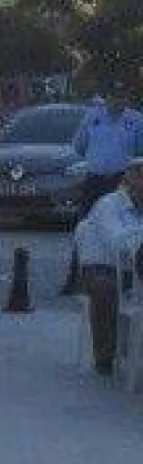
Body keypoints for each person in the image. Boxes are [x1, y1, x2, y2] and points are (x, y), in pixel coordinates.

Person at [60, 89, 143, 295]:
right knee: (85, 228)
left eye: (122, 95)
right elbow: (79, 146)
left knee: (125, 227)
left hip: (123, 180)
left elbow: (140, 152)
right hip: (95, 180)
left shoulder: (135, 120)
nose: (118, 99)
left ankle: (124, 277)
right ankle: (76, 279)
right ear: (107, 97)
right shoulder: (92, 117)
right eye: (114, 94)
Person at [74, 156, 143, 377]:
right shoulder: (108, 204)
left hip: (135, 269)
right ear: (129, 178)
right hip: (100, 267)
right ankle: (106, 355)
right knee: (106, 288)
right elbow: (116, 243)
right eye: (139, 175)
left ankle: (134, 351)